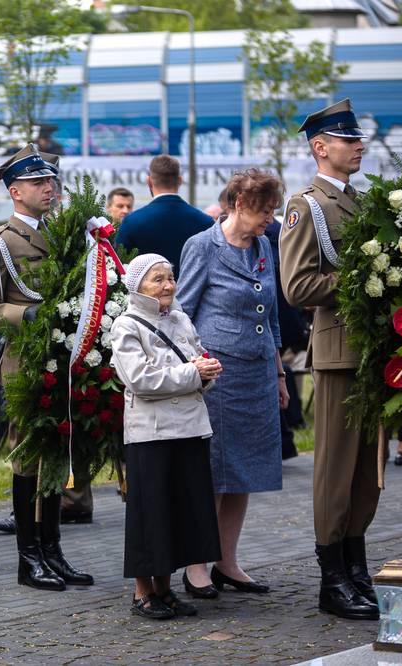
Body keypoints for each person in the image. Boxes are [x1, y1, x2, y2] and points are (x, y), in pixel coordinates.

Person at [0, 144, 93, 591]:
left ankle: (52, 549)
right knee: (29, 458)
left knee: (59, 454)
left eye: (52, 181)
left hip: (65, 361)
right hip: (26, 365)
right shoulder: (0, 241)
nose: (50, 189)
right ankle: (28, 557)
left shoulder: (66, 235)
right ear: (15, 191)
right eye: (39, 183)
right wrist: (26, 315)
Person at [279, 98, 379, 621]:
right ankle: (332, 579)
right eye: (348, 139)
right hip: (339, 350)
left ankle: (356, 568)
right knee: (336, 469)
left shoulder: (358, 204)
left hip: (371, 351)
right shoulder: (307, 206)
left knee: (367, 469)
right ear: (321, 147)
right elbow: (296, 285)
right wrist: (364, 281)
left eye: (358, 138)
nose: (359, 145)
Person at [177, 167, 289, 599]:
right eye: (264, 211)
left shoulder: (264, 244)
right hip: (217, 377)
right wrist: (191, 370)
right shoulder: (202, 246)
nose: (269, 219)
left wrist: (279, 373)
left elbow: (273, 314)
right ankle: (196, 566)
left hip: (258, 374)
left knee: (244, 474)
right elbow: (181, 313)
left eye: (272, 212)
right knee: (214, 474)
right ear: (238, 204)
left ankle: (227, 561)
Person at [110, 253, 222, 619]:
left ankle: (165, 588)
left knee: (180, 512)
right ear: (138, 286)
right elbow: (140, 380)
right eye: (158, 279)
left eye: (170, 277)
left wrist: (206, 373)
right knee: (152, 514)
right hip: (151, 433)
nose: (168, 285)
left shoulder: (180, 317)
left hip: (190, 425)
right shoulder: (126, 325)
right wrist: (193, 373)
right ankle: (143, 594)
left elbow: (194, 360)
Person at [115, 156, 214, 278]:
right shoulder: (206, 222)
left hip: (147, 296)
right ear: (180, 181)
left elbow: (120, 268)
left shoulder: (131, 222)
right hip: (194, 296)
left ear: (149, 181)